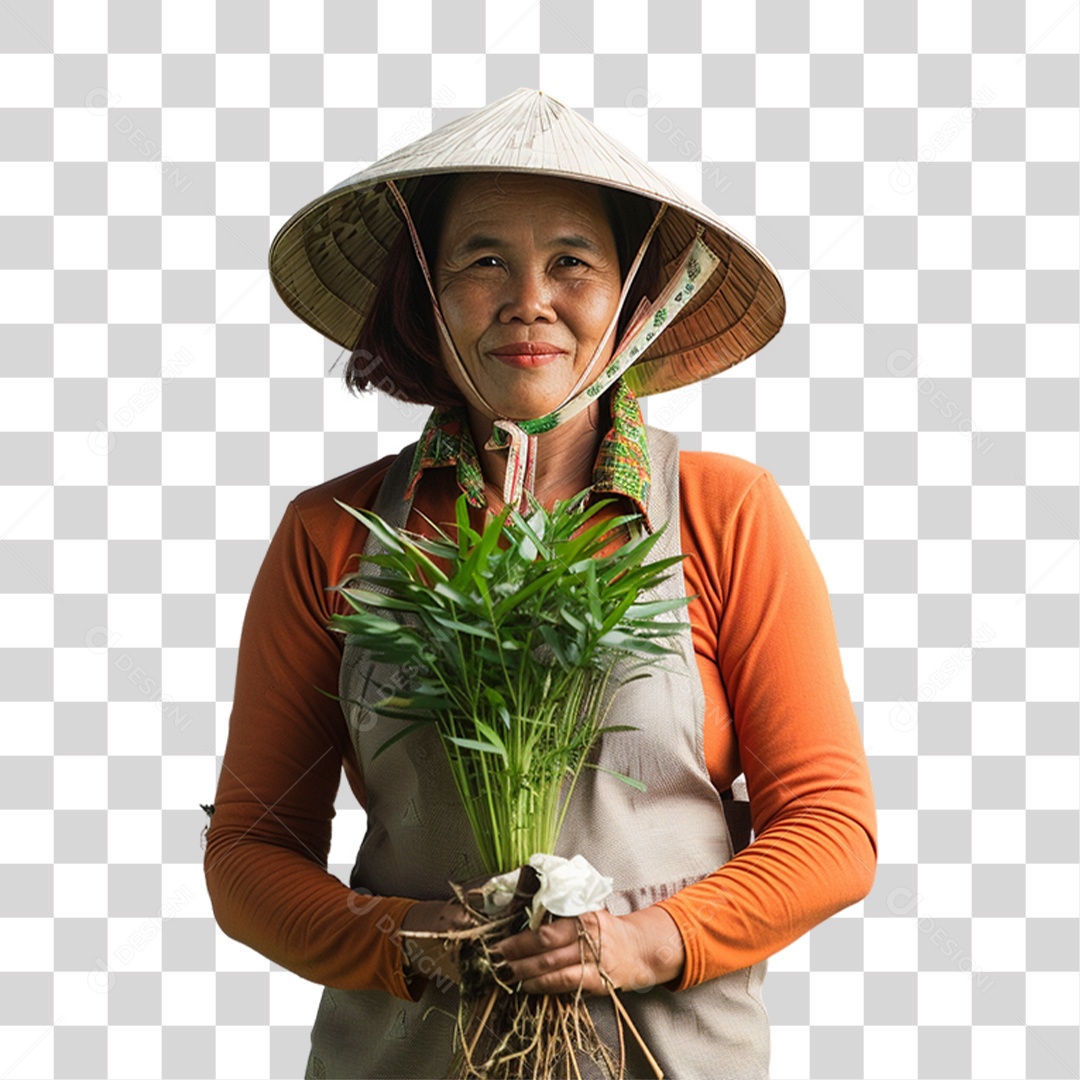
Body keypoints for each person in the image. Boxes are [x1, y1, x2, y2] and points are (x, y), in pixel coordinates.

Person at [203, 88, 877, 1079]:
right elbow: (251, 855)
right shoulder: (333, 536)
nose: (529, 299)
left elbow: (830, 830)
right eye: (482, 261)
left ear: (634, 296)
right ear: (423, 295)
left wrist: (646, 939)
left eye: (572, 260)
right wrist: (408, 940)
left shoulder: (725, 514)